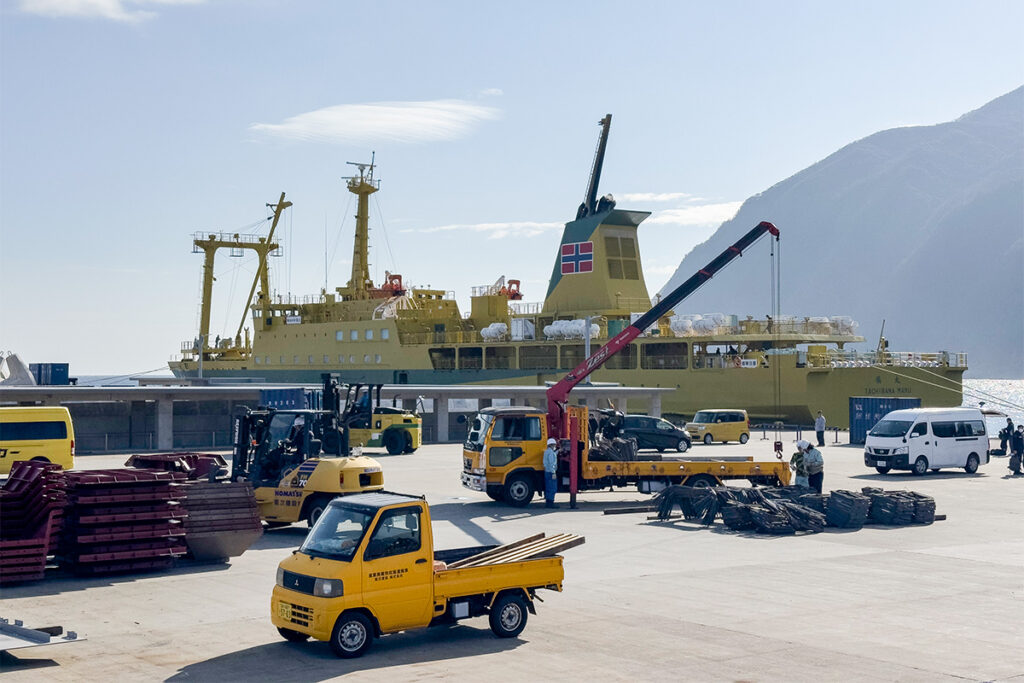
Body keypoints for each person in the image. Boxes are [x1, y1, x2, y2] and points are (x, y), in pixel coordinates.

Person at [543, 438, 559, 508]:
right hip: (551, 472)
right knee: (552, 488)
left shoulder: (547, 452)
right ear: (552, 445)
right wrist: (553, 473)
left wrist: (558, 451)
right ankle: (551, 503)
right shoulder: (551, 453)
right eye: (554, 444)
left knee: (548, 487)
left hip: (547, 471)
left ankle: (548, 502)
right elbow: (551, 463)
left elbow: (552, 456)